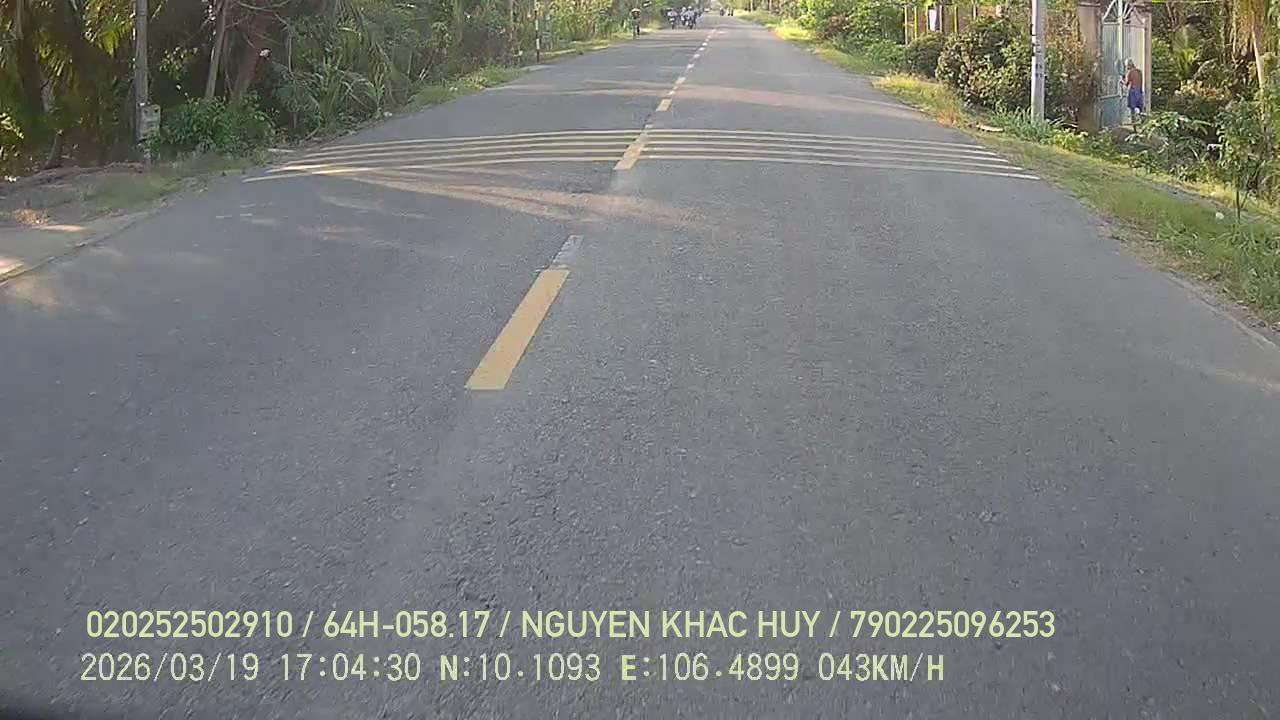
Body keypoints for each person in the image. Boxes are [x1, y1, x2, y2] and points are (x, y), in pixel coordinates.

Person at [1124, 59, 1144, 126]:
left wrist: (1122, 82)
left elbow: (1126, 83)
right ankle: (1142, 121)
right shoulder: (1139, 72)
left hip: (1132, 91)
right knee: (1140, 107)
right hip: (1139, 90)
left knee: (1132, 108)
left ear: (1128, 65)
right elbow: (1141, 82)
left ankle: (1133, 123)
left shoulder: (1129, 72)